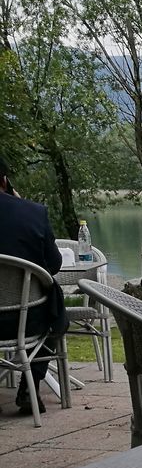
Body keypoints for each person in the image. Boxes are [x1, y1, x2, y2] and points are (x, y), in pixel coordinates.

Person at [0, 155, 68, 415]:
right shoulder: (32, 212)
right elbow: (54, 264)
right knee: (55, 306)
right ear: (5, 180)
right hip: (27, 318)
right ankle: (31, 386)